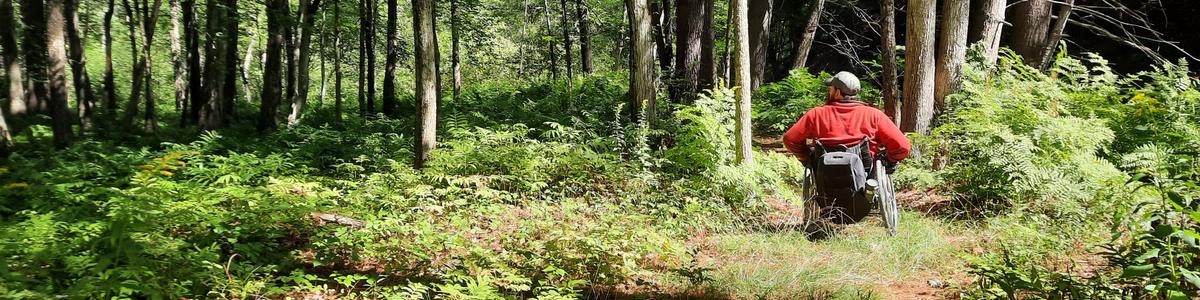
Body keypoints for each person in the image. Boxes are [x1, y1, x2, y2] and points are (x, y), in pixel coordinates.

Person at [781, 71, 911, 172]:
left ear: (837, 92)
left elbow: (790, 139)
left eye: (831, 88)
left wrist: (807, 156)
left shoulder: (816, 114)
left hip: (825, 172)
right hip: (864, 173)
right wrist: (889, 160)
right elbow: (903, 146)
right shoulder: (874, 115)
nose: (829, 90)